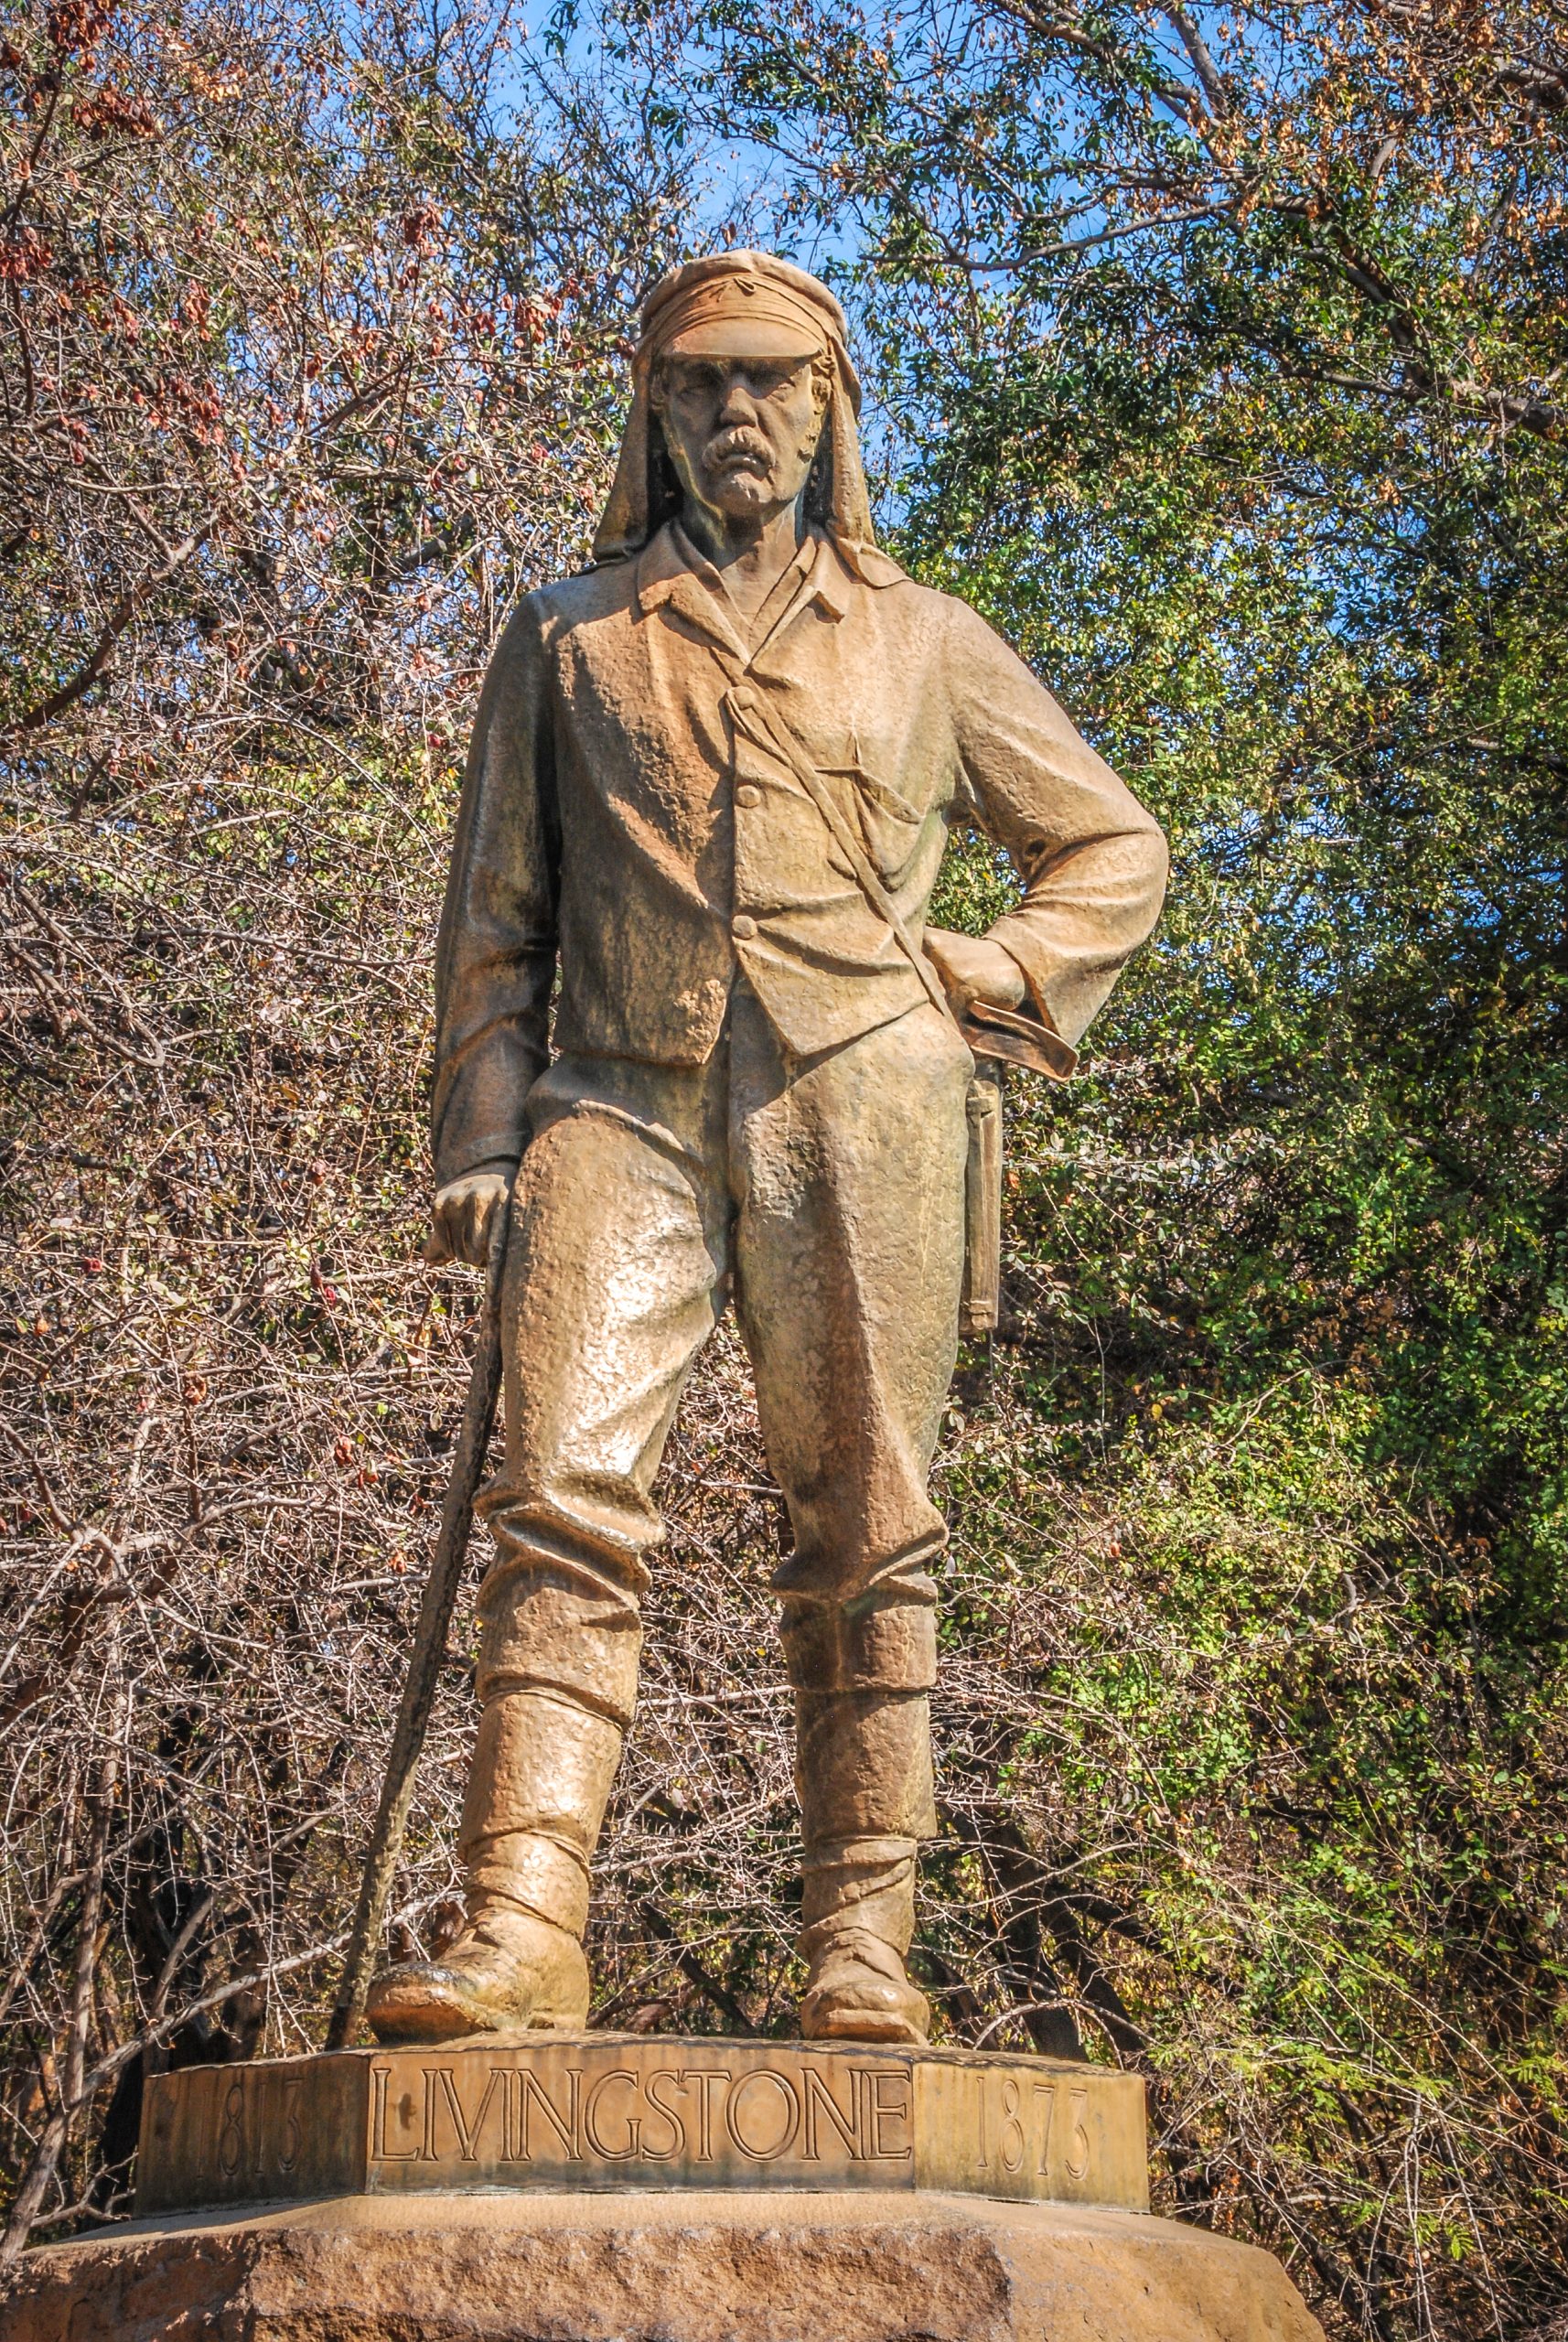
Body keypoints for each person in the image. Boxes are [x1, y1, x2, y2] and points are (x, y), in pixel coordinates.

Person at [366, 251, 1167, 2047]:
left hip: (860, 1098)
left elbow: (1110, 849)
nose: (736, 412)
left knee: (871, 1522)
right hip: (615, 1101)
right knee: (556, 1501)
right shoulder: (566, 636)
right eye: (701, 382)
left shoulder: (926, 639)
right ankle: (519, 1925)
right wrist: (479, 1133)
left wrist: (999, 968)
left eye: (770, 381)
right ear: (652, 409)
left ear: (828, 406)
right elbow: (493, 924)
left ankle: (861, 1946)